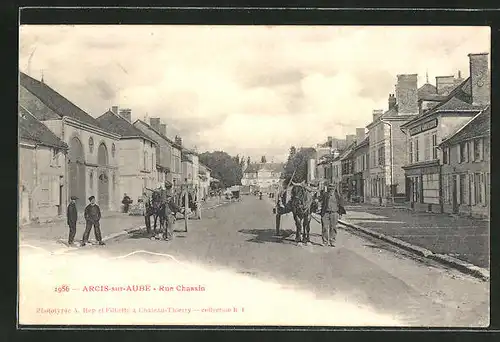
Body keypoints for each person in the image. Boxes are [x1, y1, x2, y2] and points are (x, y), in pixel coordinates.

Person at [319, 183, 344, 247]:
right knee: (324, 227)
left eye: (332, 188)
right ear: (328, 188)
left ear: (334, 188)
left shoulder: (337, 195)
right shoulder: (325, 194)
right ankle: (325, 242)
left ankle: (332, 241)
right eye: (330, 188)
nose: (331, 189)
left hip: (334, 213)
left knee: (333, 227)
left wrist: (340, 213)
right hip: (325, 213)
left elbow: (341, 205)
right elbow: (319, 199)